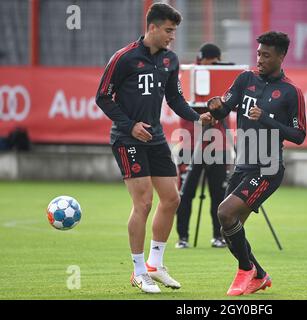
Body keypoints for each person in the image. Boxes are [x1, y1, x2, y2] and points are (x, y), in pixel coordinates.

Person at [95, 3, 212, 294]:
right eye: (169, 31)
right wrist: (130, 124)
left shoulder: (170, 60)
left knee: (172, 199)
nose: (172, 37)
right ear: (153, 28)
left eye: (174, 31)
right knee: (144, 203)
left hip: (156, 138)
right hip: (127, 138)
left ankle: (155, 265)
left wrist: (198, 117)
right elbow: (103, 97)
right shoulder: (124, 58)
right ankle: (137, 271)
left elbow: (174, 99)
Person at [207, 31, 307, 296]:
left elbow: (299, 135)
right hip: (243, 165)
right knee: (227, 226)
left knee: (226, 213)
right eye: (259, 53)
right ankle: (260, 275)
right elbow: (223, 108)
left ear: (281, 56)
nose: (260, 59)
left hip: (269, 167)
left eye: (266, 55)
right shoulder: (245, 79)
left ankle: (245, 270)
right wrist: (213, 108)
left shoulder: (291, 92)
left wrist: (267, 120)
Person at [175, 43, 230, 249]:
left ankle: (219, 236)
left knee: (220, 194)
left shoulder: (224, 77)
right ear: (204, 60)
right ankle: (183, 237)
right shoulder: (188, 77)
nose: (216, 65)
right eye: (214, 62)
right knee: (185, 193)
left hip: (219, 144)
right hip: (191, 142)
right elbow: (180, 105)